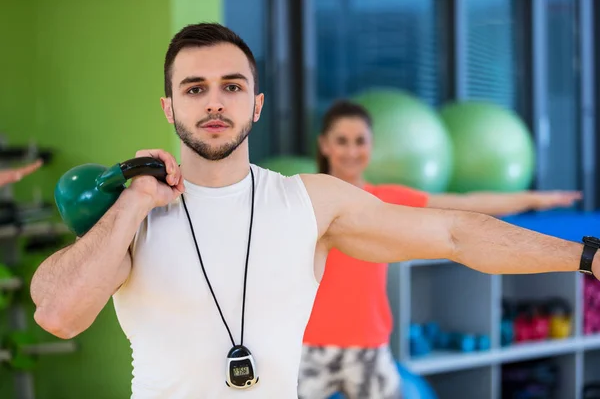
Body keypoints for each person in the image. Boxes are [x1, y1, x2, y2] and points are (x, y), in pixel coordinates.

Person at [29, 23, 598, 399]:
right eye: (194, 87)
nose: (213, 102)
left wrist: (587, 255)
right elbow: (57, 314)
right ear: (168, 105)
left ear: (255, 105)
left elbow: (454, 233)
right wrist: (133, 201)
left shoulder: (310, 201)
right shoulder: (133, 214)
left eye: (231, 86)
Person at [298, 100, 583, 399]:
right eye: (342, 141)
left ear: (372, 145)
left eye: (360, 141)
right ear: (324, 144)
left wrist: (534, 200)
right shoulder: (308, 200)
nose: (352, 151)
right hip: (309, 343)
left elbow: (466, 205)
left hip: (368, 344)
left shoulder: (385, 199)